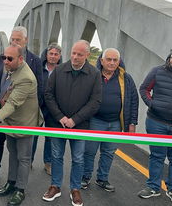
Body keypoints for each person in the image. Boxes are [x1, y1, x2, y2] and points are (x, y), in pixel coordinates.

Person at [42, 40, 101, 206]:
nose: (75, 57)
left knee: (78, 158)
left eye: (79, 54)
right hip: (57, 123)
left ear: (87, 55)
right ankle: (55, 186)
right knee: (56, 156)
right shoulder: (59, 70)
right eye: (73, 53)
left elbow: (95, 101)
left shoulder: (94, 74)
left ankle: (75, 189)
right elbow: (48, 95)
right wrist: (60, 117)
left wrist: (75, 119)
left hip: (80, 126)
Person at [0, 26, 44, 185]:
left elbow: (13, 102)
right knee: (12, 153)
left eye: (9, 59)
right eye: (4, 57)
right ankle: (11, 183)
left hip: (23, 121)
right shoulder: (11, 66)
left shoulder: (26, 76)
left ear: (21, 59)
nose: (5, 61)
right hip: (10, 119)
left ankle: (20, 189)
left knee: (23, 158)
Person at [81, 48, 139, 192]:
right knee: (89, 151)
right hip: (95, 120)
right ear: (101, 60)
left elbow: (133, 101)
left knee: (108, 152)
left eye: (115, 60)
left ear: (119, 62)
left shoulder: (126, 78)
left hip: (115, 123)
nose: (112, 63)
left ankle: (102, 179)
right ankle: (85, 177)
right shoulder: (93, 76)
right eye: (109, 59)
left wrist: (132, 123)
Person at [137, 52, 172, 201]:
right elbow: (144, 89)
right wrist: (152, 104)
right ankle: (153, 187)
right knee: (157, 156)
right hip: (156, 122)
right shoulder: (157, 71)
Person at [31, 43, 62, 175]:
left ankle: (48, 163)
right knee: (33, 135)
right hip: (38, 106)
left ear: (59, 56)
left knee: (51, 137)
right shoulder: (38, 67)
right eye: (51, 53)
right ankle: (29, 161)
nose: (53, 56)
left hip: (54, 109)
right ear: (46, 54)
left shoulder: (62, 70)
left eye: (56, 54)